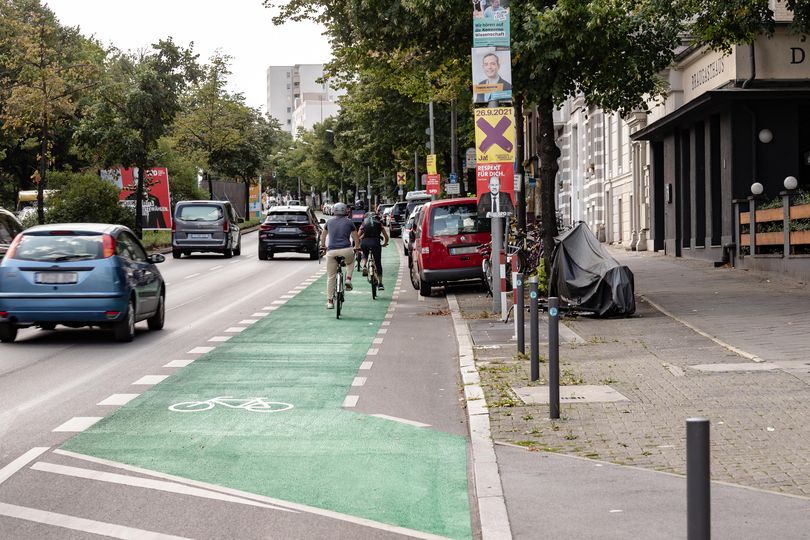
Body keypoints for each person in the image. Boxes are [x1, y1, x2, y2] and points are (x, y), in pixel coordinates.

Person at [319, 202, 360, 309]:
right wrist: (357, 247)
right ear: (346, 211)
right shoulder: (349, 222)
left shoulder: (329, 222)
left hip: (332, 252)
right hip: (346, 250)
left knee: (331, 276)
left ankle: (330, 302)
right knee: (350, 262)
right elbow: (356, 237)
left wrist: (323, 246)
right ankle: (348, 279)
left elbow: (323, 236)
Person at [359, 211, 390, 290]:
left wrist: (359, 241)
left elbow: (358, 235)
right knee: (378, 262)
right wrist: (384, 243)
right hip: (376, 243)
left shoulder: (364, 223)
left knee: (365, 254)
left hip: (365, 243)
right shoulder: (379, 224)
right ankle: (380, 283)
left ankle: (365, 265)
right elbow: (386, 237)